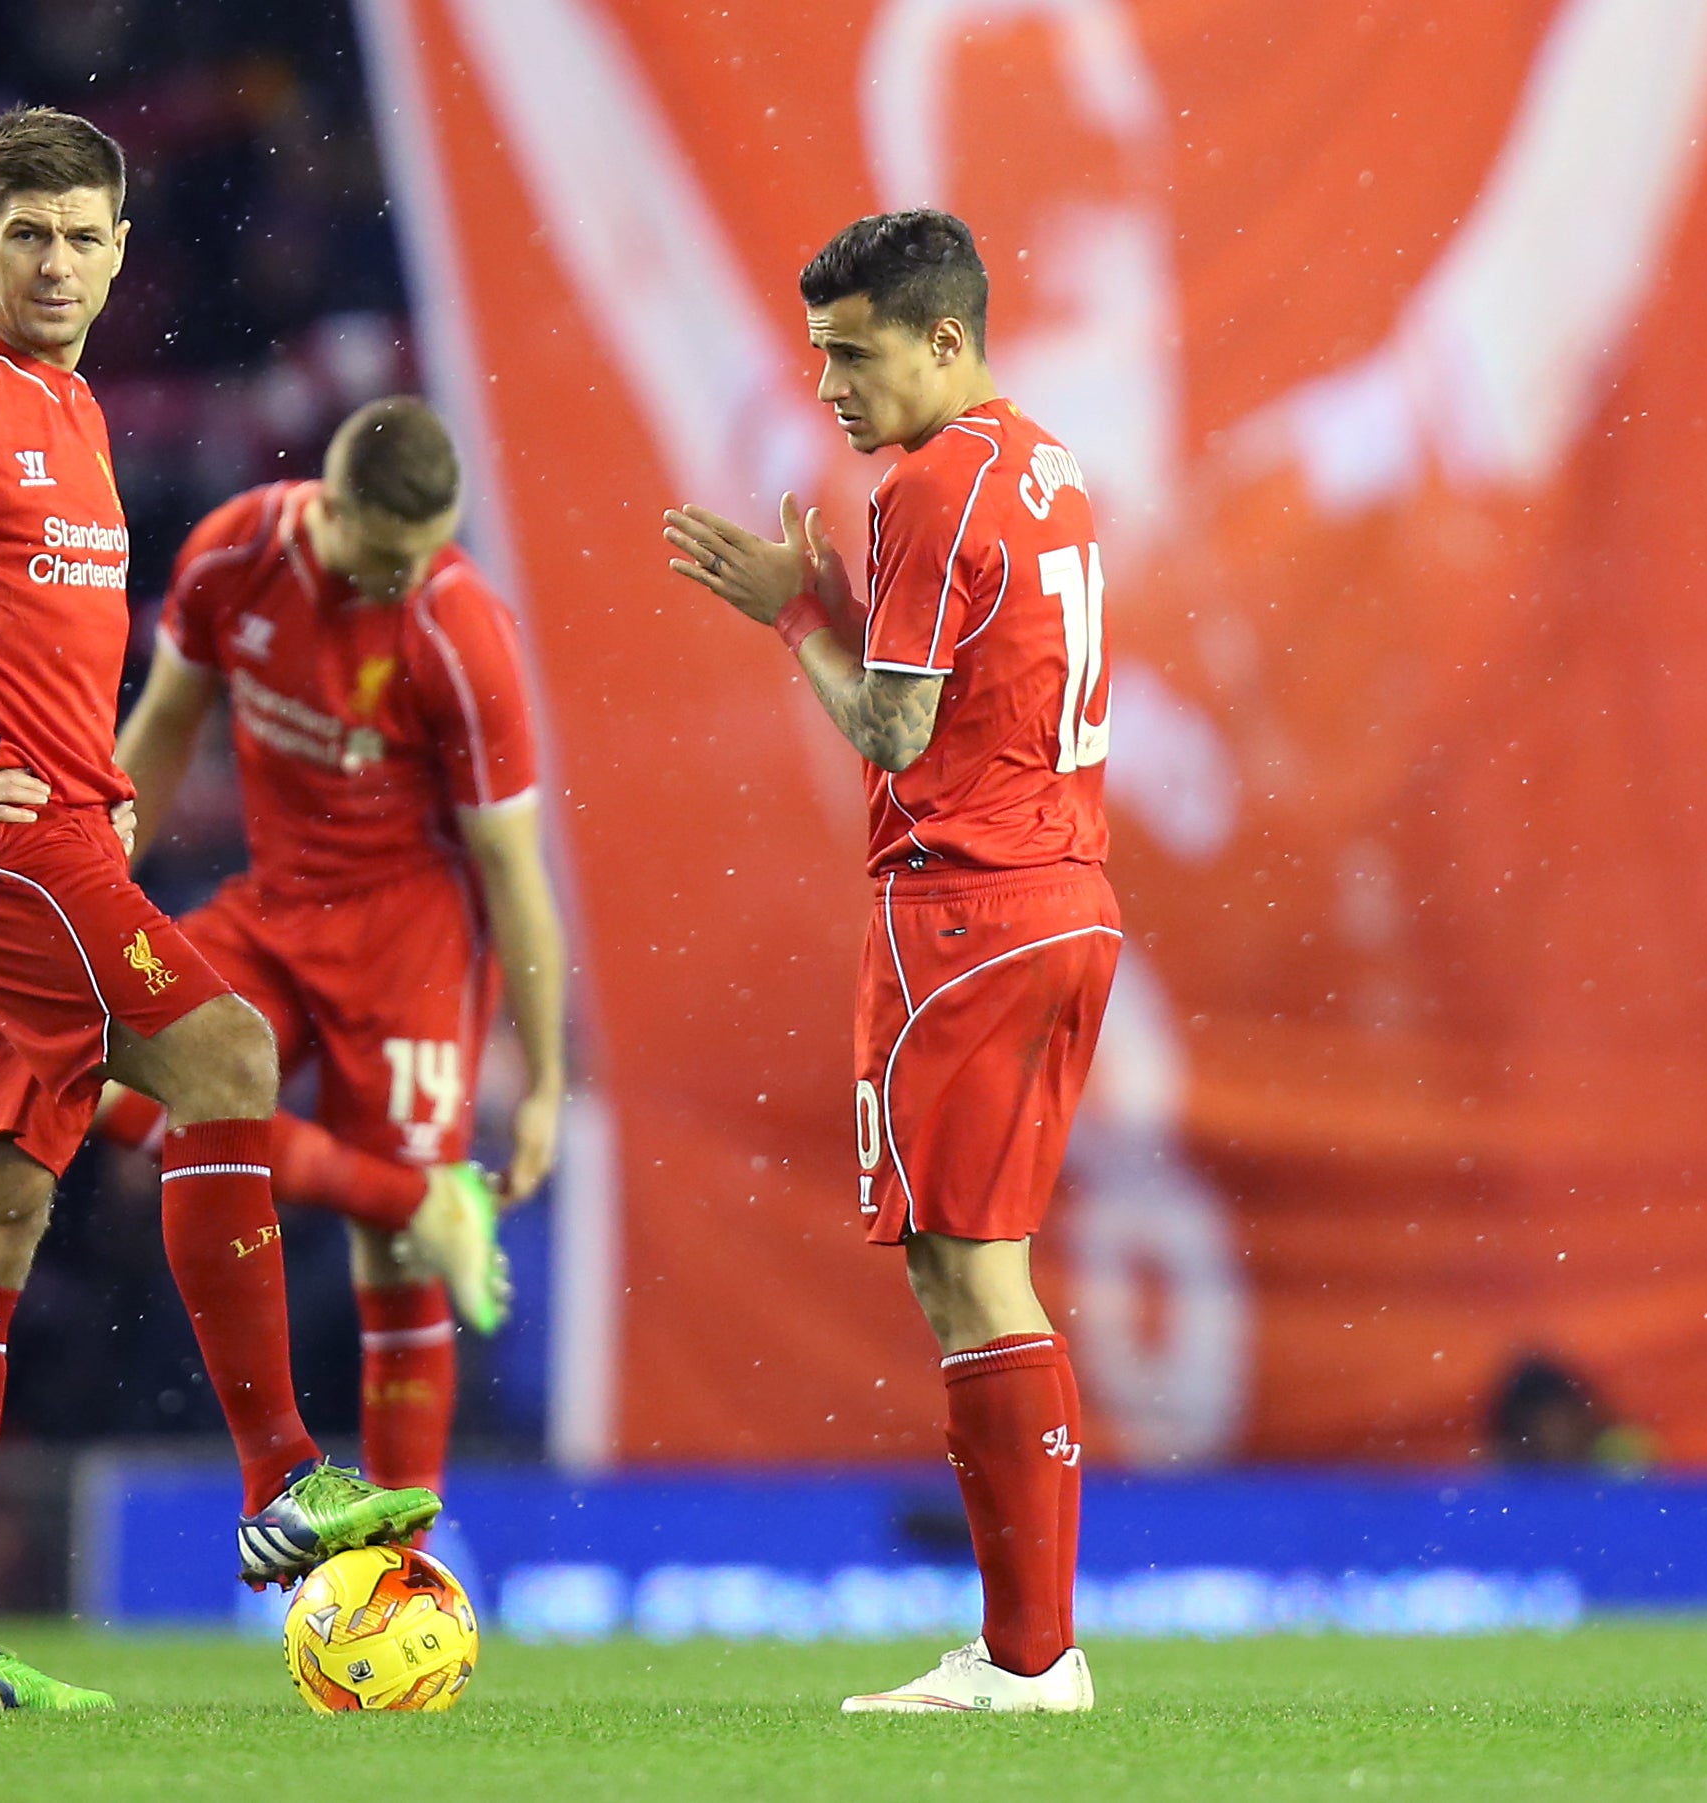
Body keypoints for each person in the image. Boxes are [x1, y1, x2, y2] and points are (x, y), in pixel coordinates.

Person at [0, 105, 455, 1713]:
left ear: (122, 253)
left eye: (82, 236)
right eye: (25, 232)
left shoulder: (71, 405)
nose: (54, 262)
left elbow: (15, 631)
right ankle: (282, 1473)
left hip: (56, 835)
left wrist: (102, 776)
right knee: (229, 1058)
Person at [665, 209, 1117, 1715]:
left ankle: (1031, 1657)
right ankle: (1024, 1646)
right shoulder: (1043, 459)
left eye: (853, 355)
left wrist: (795, 615)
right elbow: (980, 659)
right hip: (1066, 893)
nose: (831, 390)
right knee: (973, 1264)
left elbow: (893, 730)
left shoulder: (923, 488)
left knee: (972, 1272)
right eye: (816, 360)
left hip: (966, 910)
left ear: (944, 339)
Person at [92, 395, 566, 1518]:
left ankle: (399, 1577)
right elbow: (162, 727)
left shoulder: (463, 631)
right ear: (330, 509)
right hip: (273, 911)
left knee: (390, 1265)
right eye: (389, 553)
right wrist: (95, 898)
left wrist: (543, 1079)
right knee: (109, 1075)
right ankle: (416, 1196)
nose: (412, 573)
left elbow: (512, 867)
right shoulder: (234, 554)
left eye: (431, 548)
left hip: (411, 943)